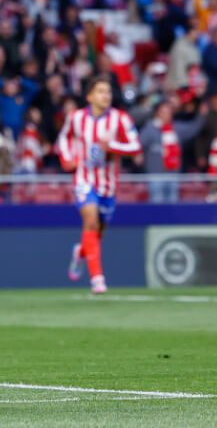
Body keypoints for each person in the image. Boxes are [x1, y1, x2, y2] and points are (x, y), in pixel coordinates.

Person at [57, 76, 141, 294]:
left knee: (97, 230)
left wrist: (111, 146)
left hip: (108, 184)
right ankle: (97, 279)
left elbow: (135, 146)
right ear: (89, 96)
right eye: (101, 92)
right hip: (84, 179)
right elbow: (63, 139)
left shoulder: (120, 119)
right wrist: (67, 159)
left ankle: (81, 252)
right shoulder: (76, 118)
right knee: (91, 220)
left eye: (109, 92)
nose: (106, 96)